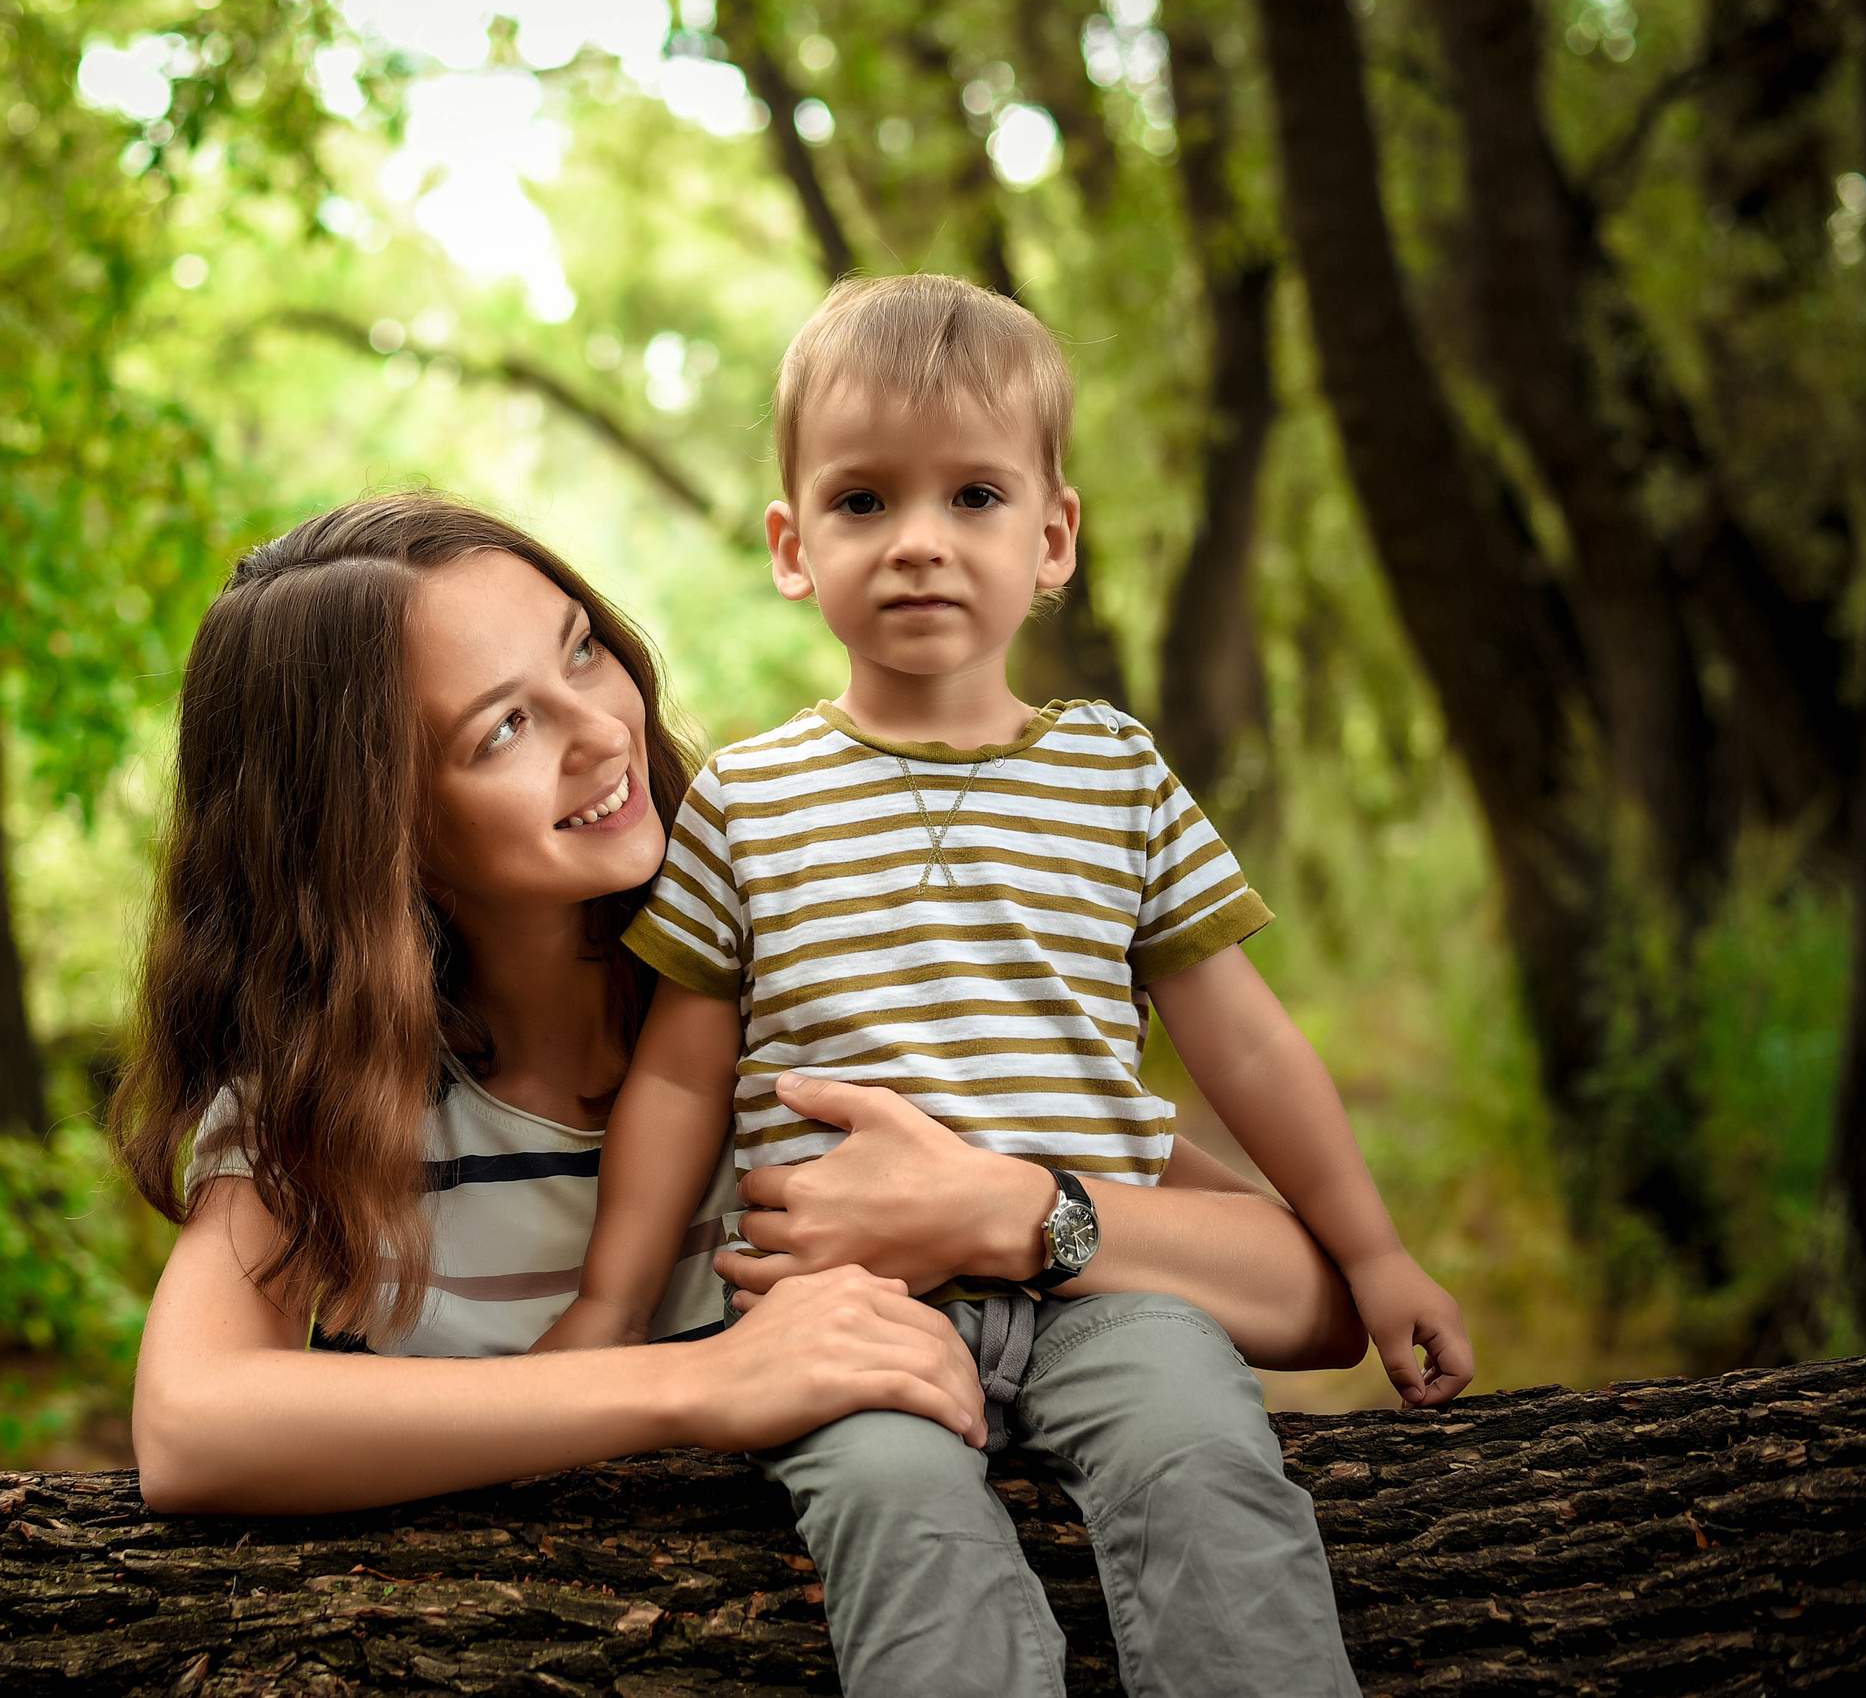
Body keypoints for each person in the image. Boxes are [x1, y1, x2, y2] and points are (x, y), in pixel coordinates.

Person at [118, 493, 1363, 1563]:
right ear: (368, 834)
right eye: (503, 727)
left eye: (583, 651)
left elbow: (1314, 1298)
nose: (602, 730)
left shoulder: (810, 986)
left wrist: (1017, 1206)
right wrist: (699, 1382)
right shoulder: (334, 1111)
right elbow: (189, 1424)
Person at [534, 275, 1472, 1695]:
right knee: (900, 1523)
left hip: (1111, 1287)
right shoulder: (747, 798)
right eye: (863, 502)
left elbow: (1250, 1046)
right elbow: (679, 1070)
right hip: (848, 1309)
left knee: (1207, 1469)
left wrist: (1380, 1250)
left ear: (1054, 537)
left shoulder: (1117, 775)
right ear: (793, 545)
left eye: (973, 496)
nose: (918, 543)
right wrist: (609, 1307)